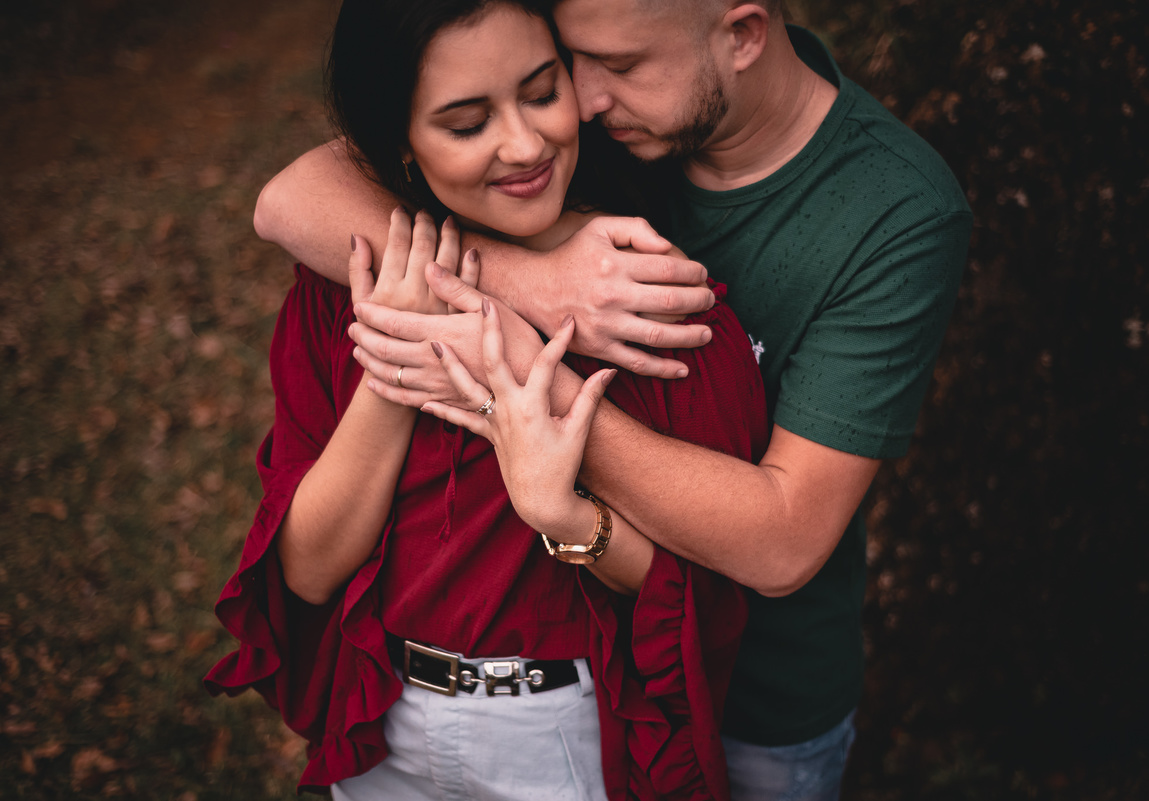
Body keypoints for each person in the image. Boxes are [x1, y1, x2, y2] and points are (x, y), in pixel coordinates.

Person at [253, 1, 974, 798]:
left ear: (740, 35)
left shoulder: (894, 209)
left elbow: (785, 542)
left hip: (764, 697)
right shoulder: (581, 132)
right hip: (552, 680)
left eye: (619, 68)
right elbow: (292, 194)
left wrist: (517, 375)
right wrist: (521, 279)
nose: (585, 101)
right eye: (571, 60)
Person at [205, 1, 769, 799]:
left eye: (542, 93)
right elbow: (305, 569)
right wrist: (396, 365)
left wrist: (570, 519)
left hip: (560, 736)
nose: (525, 143)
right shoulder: (343, 289)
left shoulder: (648, 304)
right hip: (385, 725)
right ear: (400, 139)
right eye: (468, 123)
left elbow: (706, 593)